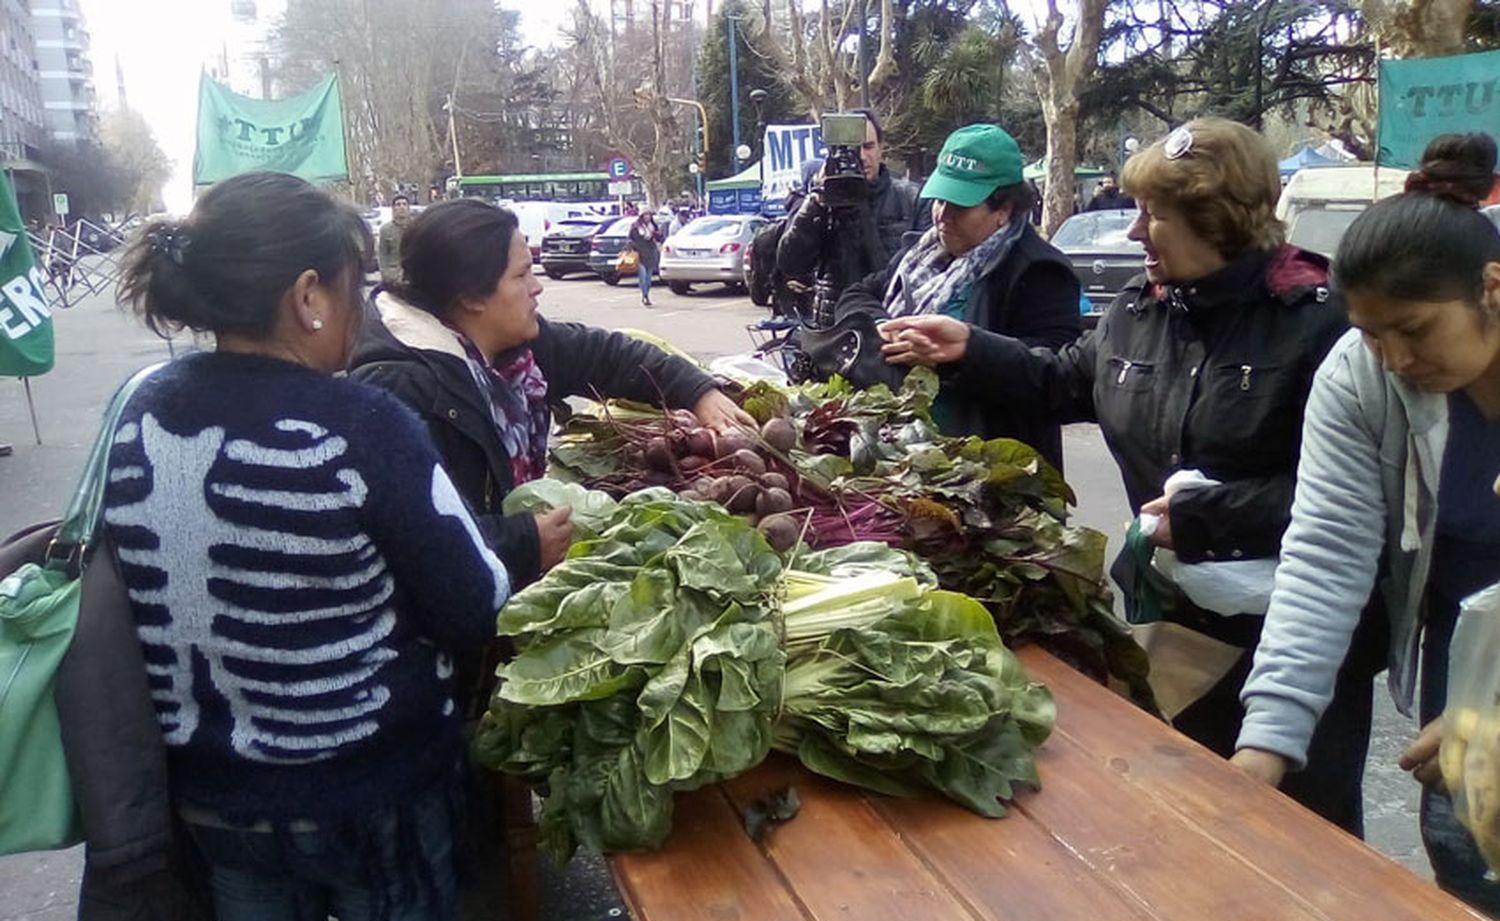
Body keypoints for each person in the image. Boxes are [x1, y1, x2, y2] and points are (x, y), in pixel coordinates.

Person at [879, 118, 1383, 834]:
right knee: (1187, 831)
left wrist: (1212, 517)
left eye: (1156, 215)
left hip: (1302, 644)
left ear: (1218, 221)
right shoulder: (1139, 312)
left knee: (1303, 845)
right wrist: (969, 347)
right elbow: (1062, 381)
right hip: (1175, 626)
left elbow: (1357, 501)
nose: (1133, 233)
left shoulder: (1320, 322)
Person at [105, 171, 512, 921]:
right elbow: (473, 602)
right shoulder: (362, 422)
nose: (361, 310)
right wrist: (522, 547)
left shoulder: (138, 405)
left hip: (219, 798)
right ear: (307, 296)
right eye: (354, 286)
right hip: (376, 800)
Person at [1231, 135, 1500, 921]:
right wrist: (1262, 748)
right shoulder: (1363, 373)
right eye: (1373, 333)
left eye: (1414, 331)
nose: (1397, 360)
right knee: (1476, 879)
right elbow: (1324, 554)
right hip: (1470, 683)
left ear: (1493, 289)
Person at [348, 199, 752, 699]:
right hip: (439, 671)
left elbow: (610, 354)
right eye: (522, 276)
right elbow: (417, 548)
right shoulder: (402, 390)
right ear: (473, 295)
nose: (537, 286)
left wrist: (700, 392)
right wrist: (523, 541)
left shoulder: (506, 348)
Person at [837, 122, 1082, 469]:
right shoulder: (920, 255)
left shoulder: (1039, 271)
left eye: (960, 206)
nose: (942, 215)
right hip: (904, 458)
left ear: (1004, 210)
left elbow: (1057, 377)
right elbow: (857, 294)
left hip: (990, 474)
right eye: (939, 200)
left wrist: (962, 353)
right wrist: (882, 325)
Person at [776, 109, 922, 329]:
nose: (861, 157)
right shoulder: (821, 202)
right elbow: (790, 263)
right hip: (834, 327)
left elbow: (911, 273)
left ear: (881, 148)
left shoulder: (910, 199)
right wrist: (816, 201)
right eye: (852, 149)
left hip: (892, 323)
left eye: (868, 146)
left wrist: (860, 206)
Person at [377, 192, 413, 284]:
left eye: (404, 204)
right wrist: (387, 276)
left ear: (409, 209)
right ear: (393, 209)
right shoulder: (385, 230)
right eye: (398, 204)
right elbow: (382, 255)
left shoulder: (416, 227)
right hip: (393, 275)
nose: (402, 207)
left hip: (413, 275)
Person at [629, 210, 661, 307]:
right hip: (640, 252)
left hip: (650, 252)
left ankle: (647, 293)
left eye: (649, 215)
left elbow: (660, 237)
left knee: (648, 278)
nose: (647, 217)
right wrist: (634, 247)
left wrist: (656, 234)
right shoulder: (636, 226)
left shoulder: (653, 225)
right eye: (645, 215)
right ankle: (644, 296)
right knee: (642, 277)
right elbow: (631, 238)